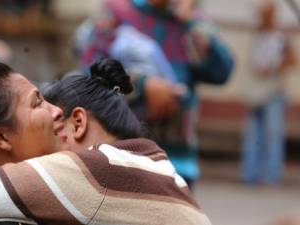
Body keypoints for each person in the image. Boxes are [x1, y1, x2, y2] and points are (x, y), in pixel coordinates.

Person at [0, 59, 211, 225]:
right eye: (38, 103)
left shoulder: (93, 170)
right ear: (0, 136)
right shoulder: (143, 165)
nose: (56, 113)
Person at [74, 0, 234, 188]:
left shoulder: (191, 21)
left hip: (177, 162)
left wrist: (192, 23)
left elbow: (221, 72)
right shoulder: (117, 12)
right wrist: (142, 86)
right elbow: (90, 70)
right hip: (123, 157)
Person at [241, 1, 297, 185]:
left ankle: (270, 176)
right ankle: (250, 175)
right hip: (256, 92)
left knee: (272, 135)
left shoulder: (280, 37)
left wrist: (275, 65)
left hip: (274, 92)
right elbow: (252, 64)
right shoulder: (257, 36)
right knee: (253, 136)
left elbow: (293, 61)